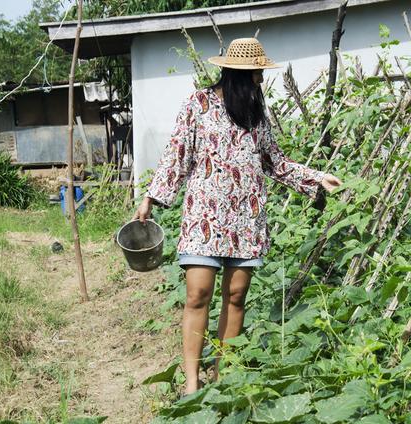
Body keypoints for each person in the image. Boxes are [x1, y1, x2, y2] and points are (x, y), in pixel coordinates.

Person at [133, 37, 343, 395]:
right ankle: (190, 382)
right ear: (235, 74)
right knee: (198, 294)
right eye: (255, 74)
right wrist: (151, 198)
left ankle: (224, 376)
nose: (259, 80)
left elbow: (275, 162)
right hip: (204, 217)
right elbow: (177, 153)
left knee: (235, 296)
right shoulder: (198, 104)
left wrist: (316, 176)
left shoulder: (255, 115)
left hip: (246, 219)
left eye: (259, 73)